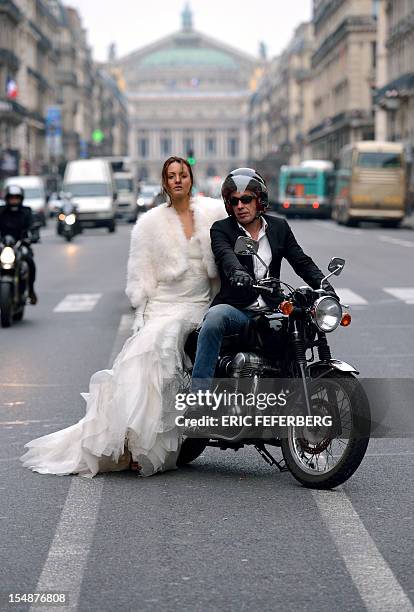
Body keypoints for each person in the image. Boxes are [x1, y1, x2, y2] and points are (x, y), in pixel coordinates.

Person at [20, 157, 226, 477]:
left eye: (182, 175)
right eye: (170, 176)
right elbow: (141, 277)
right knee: (148, 349)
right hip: (163, 303)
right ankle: (133, 441)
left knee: (164, 342)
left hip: (197, 303)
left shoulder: (213, 213)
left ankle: (143, 438)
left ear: (191, 178)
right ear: (164, 182)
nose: (177, 181)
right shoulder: (150, 223)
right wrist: (142, 314)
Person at [191, 167, 337, 390]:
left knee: (303, 321)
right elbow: (225, 255)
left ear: (259, 200)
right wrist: (237, 272)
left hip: (273, 306)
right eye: (234, 201)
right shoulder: (222, 229)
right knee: (213, 319)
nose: (240, 206)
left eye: (246, 199)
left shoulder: (279, 227)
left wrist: (323, 284)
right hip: (238, 308)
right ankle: (198, 400)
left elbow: (301, 261)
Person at [0, 184, 38, 304]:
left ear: (21, 198)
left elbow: (33, 226)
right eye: (11, 197)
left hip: (21, 245)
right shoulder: (1, 211)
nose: (14, 200)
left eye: (16, 197)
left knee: (29, 262)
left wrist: (34, 236)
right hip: (3, 245)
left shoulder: (26, 211)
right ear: (7, 198)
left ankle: (31, 290)